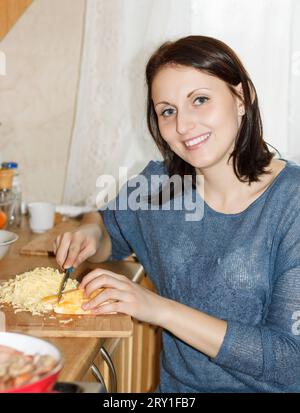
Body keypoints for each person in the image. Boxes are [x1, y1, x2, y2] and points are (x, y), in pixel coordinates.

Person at [54, 36, 300, 392]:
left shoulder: (291, 201)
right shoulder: (159, 186)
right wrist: (91, 232)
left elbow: (291, 361)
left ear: (242, 97)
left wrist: (160, 309)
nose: (183, 126)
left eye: (199, 100)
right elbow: (108, 227)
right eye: (168, 111)